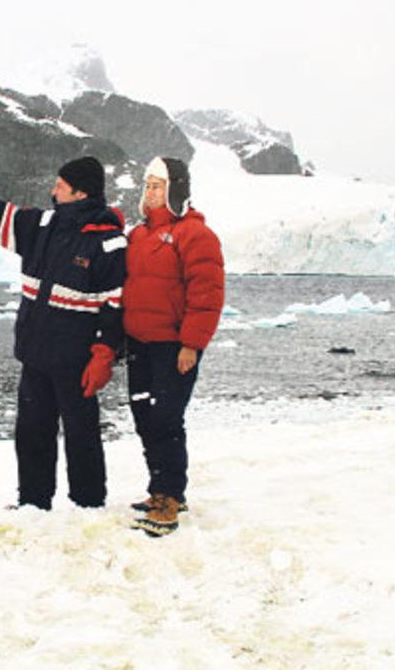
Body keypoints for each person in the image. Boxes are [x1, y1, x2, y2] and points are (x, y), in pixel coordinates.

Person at [0, 157, 126, 510]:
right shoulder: (44, 225)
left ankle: (88, 506)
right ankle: (33, 503)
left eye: (60, 186)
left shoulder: (108, 244)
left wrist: (104, 354)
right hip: (35, 356)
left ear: (80, 192)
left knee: (81, 437)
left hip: (77, 362)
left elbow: (117, 305)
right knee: (32, 433)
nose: (52, 191)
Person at [123, 156, 224, 536]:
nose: (150, 192)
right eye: (147, 185)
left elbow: (207, 295)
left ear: (176, 189)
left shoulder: (196, 236)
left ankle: (169, 495)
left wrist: (192, 344)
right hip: (139, 344)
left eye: (158, 185)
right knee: (144, 418)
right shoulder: (138, 235)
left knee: (166, 419)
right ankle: (160, 491)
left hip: (173, 346)